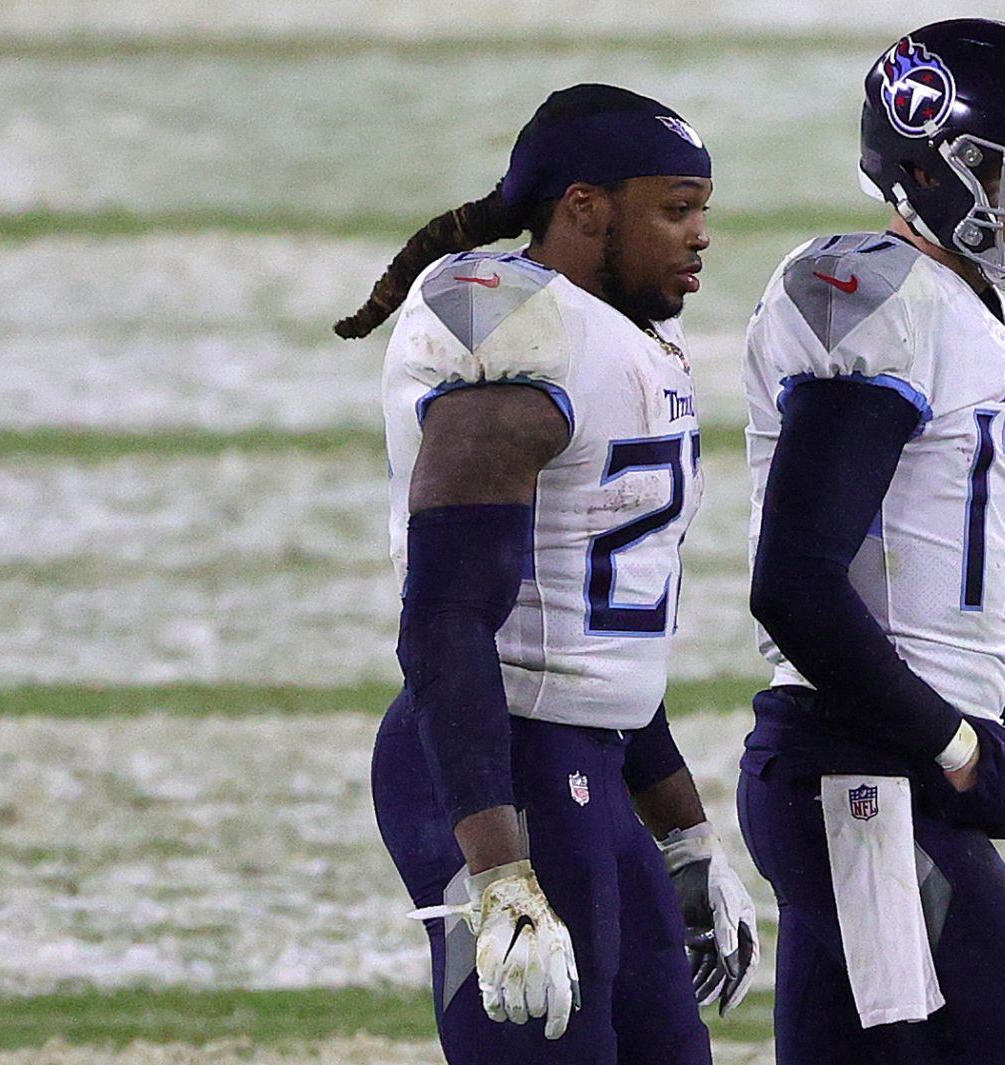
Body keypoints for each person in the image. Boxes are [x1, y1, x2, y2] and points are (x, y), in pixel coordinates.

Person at [334, 83, 755, 1065]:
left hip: (587, 762)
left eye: (702, 211)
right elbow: (445, 621)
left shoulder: (628, 334)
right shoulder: (513, 331)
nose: (697, 237)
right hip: (496, 762)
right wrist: (499, 875)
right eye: (673, 209)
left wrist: (685, 833)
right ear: (584, 207)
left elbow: (591, 632)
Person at [736, 20, 1005, 1065]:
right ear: (924, 164)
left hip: (873, 768)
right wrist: (954, 746)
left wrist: (1000, 720)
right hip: (861, 775)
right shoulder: (878, 295)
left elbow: (947, 569)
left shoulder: (976, 309)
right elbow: (797, 584)